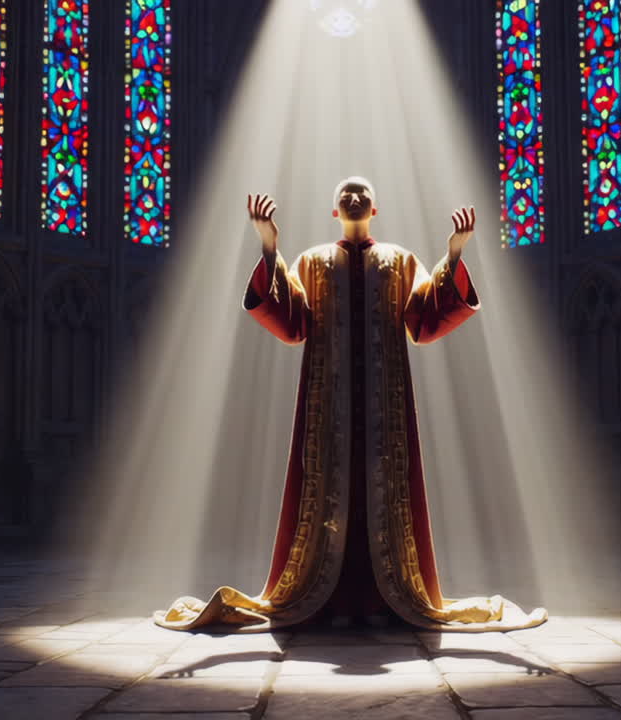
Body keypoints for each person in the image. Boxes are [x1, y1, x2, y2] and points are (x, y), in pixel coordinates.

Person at [155, 177, 546, 632]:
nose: (354, 199)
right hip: (328, 408)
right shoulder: (313, 261)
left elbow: (423, 321)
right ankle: (324, 600)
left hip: (388, 409)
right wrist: (268, 248)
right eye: (346, 195)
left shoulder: (400, 261)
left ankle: (388, 599)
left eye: (362, 194)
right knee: (328, 498)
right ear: (334, 209)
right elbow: (292, 324)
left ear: (375, 209)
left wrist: (454, 254)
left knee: (383, 496)